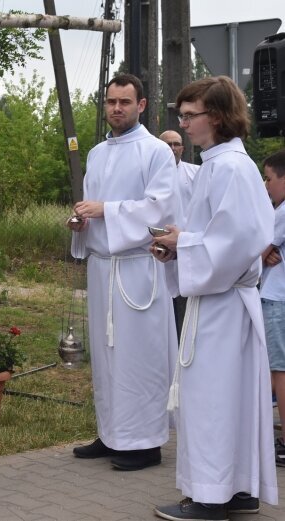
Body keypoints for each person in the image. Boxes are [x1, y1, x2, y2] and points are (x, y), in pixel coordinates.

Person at [152, 76, 278, 520]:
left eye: (190, 116)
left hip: (223, 304)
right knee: (231, 399)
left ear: (218, 117)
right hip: (222, 300)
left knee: (211, 401)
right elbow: (218, 236)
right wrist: (177, 244)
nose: (183, 125)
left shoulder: (229, 167)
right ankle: (238, 488)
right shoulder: (219, 164)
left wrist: (181, 242)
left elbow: (237, 240)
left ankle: (210, 497)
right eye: (181, 115)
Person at [67, 73, 179, 471]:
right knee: (107, 355)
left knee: (140, 358)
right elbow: (91, 206)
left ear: (142, 106)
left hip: (137, 271)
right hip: (102, 270)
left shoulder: (156, 153)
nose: (116, 109)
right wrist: (81, 222)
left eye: (125, 103)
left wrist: (106, 211)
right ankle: (112, 432)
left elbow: (161, 211)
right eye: (111, 102)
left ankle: (145, 444)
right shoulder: (97, 153)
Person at [159, 130, 199, 339]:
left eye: (177, 144)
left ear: (183, 147)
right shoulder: (150, 176)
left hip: (186, 248)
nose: (173, 149)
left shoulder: (196, 173)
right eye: (168, 144)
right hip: (157, 251)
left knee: (186, 305)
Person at [261, 149, 285, 469]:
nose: (266, 185)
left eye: (268, 178)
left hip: (277, 298)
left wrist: (263, 252)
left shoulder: (281, 212)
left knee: (280, 373)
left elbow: (259, 246)